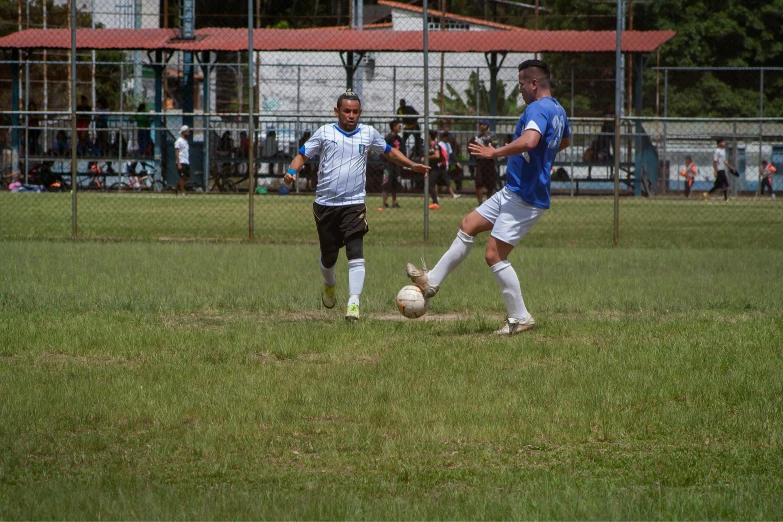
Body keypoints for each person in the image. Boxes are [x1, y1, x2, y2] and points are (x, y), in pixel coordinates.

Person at [405, 59, 570, 336]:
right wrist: (542, 159)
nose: (519, 90)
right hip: (514, 190)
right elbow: (563, 141)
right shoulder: (557, 110)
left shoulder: (537, 108)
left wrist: (495, 153)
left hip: (525, 197)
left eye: (520, 84)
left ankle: (520, 317)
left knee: (494, 255)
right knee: (469, 223)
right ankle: (432, 281)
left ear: (533, 84)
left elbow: (530, 141)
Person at [283, 89, 430, 321]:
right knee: (329, 259)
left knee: (355, 252)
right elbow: (302, 155)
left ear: (360, 112)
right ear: (337, 112)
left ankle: (354, 304)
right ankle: (329, 284)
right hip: (325, 205)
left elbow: (390, 152)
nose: (351, 115)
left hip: (354, 204)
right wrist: (291, 172)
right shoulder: (325, 132)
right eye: (346, 111)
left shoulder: (368, 133)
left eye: (355, 112)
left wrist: (412, 165)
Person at [470, 119, 498, 204]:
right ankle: (480, 203)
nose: (480, 126)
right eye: (480, 124)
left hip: (489, 161)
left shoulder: (492, 136)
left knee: (490, 184)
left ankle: (489, 203)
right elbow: (473, 145)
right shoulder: (477, 136)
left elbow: (494, 144)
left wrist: (484, 141)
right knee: (479, 182)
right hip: (480, 161)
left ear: (486, 126)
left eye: (482, 124)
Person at [382, 120, 405, 208]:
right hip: (389, 164)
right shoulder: (388, 138)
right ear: (394, 127)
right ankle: (385, 202)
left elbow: (402, 151)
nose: (400, 128)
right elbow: (383, 151)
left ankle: (394, 202)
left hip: (397, 165)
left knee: (395, 184)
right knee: (386, 183)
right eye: (399, 126)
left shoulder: (399, 139)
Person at [423, 129, 446, 210]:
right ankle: (434, 202)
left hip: (434, 168)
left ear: (430, 135)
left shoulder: (434, 145)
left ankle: (435, 203)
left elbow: (437, 155)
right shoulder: (428, 145)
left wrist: (426, 158)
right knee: (430, 185)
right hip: (430, 168)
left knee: (430, 185)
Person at [438, 130, 460, 199]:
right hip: (441, 164)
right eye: (447, 137)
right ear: (443, 137)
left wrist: (456, 162)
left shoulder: (448, 145)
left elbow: (451, 154)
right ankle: (452, 194)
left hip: (446, 164)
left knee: (438, 181)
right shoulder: (440, 144)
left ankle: (436, 195)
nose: (448, 138)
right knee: (446, 180)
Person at [174, 125, 190, 196]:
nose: (188, 132)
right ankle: (182, 192)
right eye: (187, 131)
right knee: (183, 177)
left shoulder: (185, 141)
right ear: (183, 132)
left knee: (187, 176)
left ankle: (175, 187)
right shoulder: (178, 141)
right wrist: (179, 163)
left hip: (186, 161)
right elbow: (177, 152)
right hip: (181, 161)